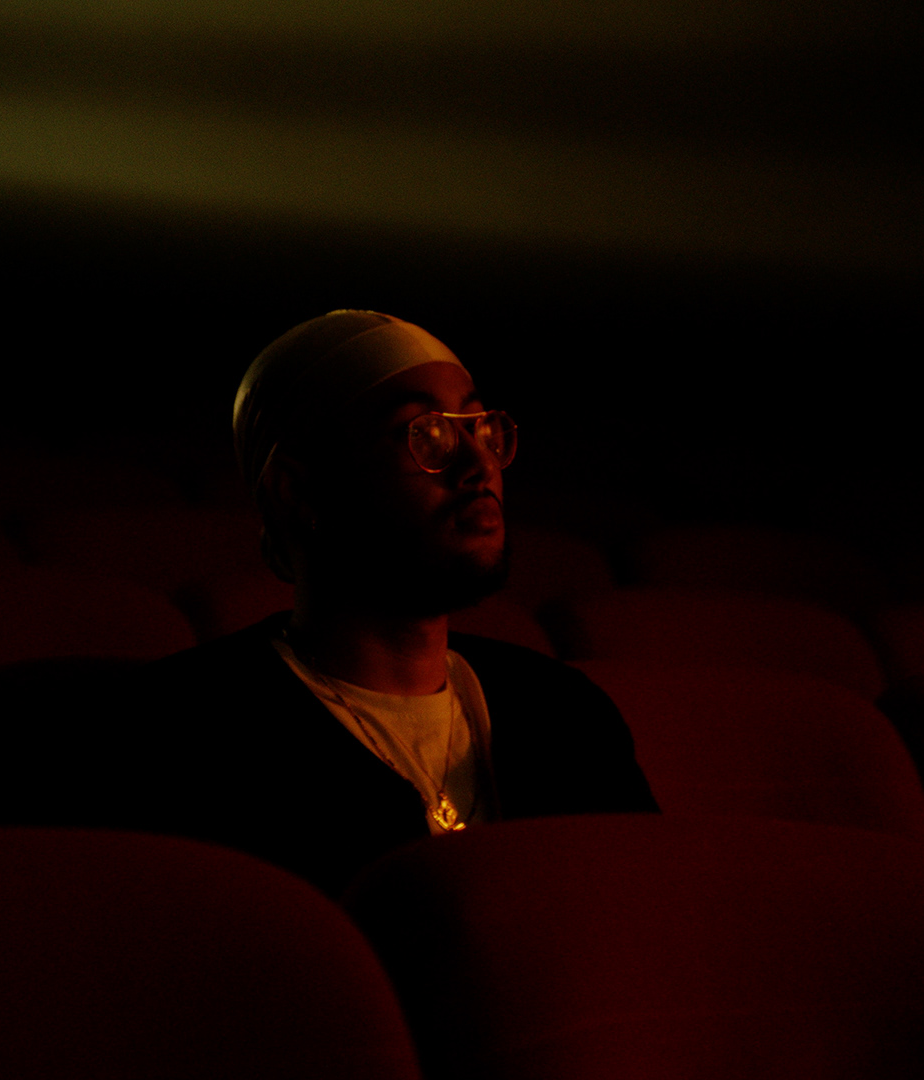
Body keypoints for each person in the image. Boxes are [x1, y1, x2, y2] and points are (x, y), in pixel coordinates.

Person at [42, 310, 658, 897]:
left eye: (480, 428)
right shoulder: (180, 734)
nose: (479, 464)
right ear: (298, 491)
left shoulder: (566, 714)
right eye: (427, 434)